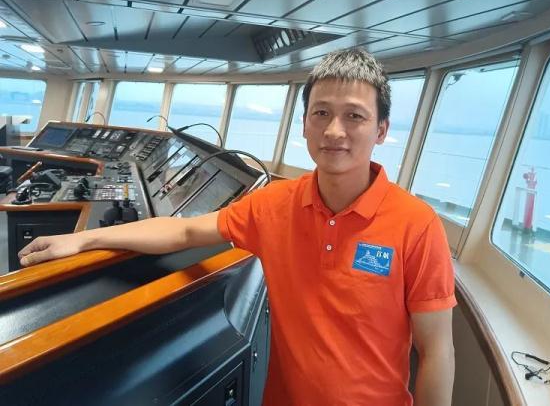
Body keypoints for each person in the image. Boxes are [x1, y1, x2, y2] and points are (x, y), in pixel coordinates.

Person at [19, 48, 456, 406]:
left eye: (355, 116)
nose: (334, 131)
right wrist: (84, 238)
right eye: (321, 113)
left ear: (381, 130)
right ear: (305, 124)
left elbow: (436, 350)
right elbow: (185, 232)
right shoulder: (275, 204)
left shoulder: (417, 226)